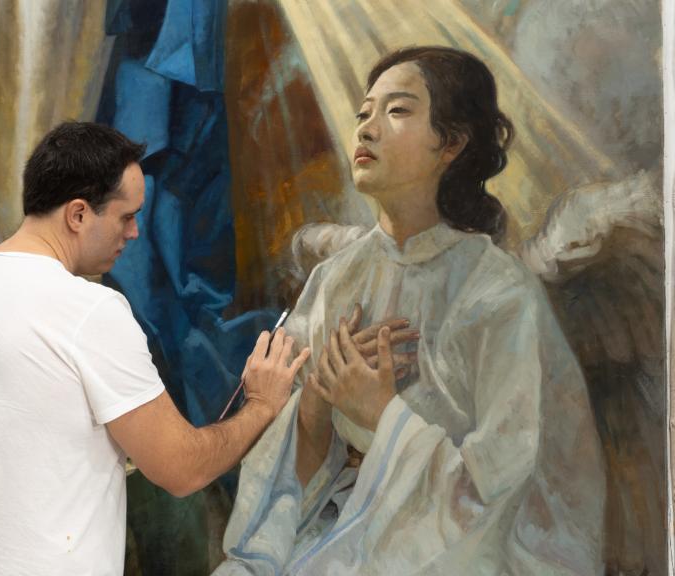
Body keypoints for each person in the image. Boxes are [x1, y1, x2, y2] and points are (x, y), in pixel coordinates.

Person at [216, 47, 605, 575]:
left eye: (396, 111)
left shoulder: (497, 292)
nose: (367, 129)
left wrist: (380, 414)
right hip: (335, 534)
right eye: (363, 114)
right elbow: (290, 481)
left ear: (451, 142)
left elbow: (502, 495)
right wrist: (320, 399)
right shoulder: (334, 279)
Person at [0, 121, 311, 575]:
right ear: (78, 214)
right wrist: (263, 405)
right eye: (126, 217)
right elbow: (181, 468)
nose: (134, 234)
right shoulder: (90, 309)